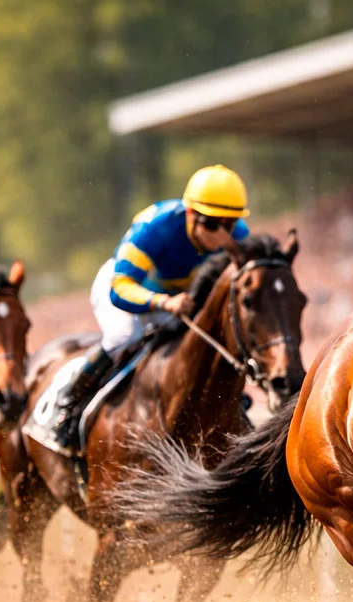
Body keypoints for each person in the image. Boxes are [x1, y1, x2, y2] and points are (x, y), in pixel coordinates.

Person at [31, 164, 250, 454]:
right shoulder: (157, 228)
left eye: (229, 224)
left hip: (175, 298)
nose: (222, 236)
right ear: (189, 214)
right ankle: (69, 401)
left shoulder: (240, 237)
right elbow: (120, 289)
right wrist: (164, 302)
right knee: (124, 336)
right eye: (211, 224)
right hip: (124, 286)